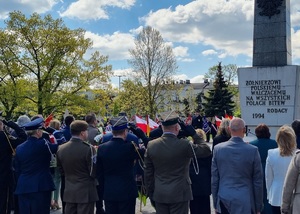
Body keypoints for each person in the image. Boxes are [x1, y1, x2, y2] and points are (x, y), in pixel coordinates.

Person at [144, 111, 211, 214]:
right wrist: (194, 134)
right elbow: (206, 150)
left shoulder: (151, 145)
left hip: (160, 192)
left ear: (162, 127)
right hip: (180, 193)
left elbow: (148, 173)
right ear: (177, 128)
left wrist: (152, 192)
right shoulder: (184, 145)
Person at [211, 117, 263, 214]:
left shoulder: (218, 149)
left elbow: (215, 179)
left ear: (229, 129)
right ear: (244, 130)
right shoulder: (253, 150)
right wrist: (258, 206)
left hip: (224, 198)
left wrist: (215, 203)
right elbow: (257, 181)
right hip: (246, 199)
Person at [97, 116, 145, 214]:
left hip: (109, 191)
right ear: (125, 132)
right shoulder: (130, 147)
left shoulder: (102, 148)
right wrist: (140, 134)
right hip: (127, 191)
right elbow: (148, 150)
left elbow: (99, 173)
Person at [14, 118, 58, 214]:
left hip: (23, 186)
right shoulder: (43, 143)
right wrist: (51, 130)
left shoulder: (19, 148)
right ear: (38, 132)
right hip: (41, 186)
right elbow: (60, 144)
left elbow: (17, 169)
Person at [56, 120, 98, 214]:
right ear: (82, 133)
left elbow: (61, 169)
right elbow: (93, 171)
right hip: (86, 192)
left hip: (69, 191)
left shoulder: (61, 148)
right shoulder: (88, 149)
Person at [265, 125, 296, 214]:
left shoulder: (271, 154)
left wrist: (269, 194)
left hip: (276, 195)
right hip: (293, 196)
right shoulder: (297, 154)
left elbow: (268, 178)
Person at [0, 117, 27, 214]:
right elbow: (23, 139)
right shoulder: (5, 137)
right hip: (4, 174)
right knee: (4, 201)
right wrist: (14, 126)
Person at [250, 124, 277, 214]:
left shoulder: (252, 145)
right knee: (269, 195)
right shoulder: (274, 143)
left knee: (258, 195)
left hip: (257, 171)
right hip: (272, 171)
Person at [189, 129, 212, 214]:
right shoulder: (206, 150)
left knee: (194, 207)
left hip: (193, 181)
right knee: (205, 207)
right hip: (204, 182)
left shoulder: (190, 150)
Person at [59, 114, 75, 213]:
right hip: (73, 159)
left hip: (63, 158)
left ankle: (65, 206)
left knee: (63, 184)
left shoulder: (61, 132)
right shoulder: (72, 132)